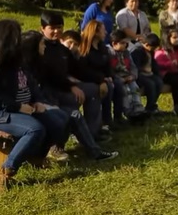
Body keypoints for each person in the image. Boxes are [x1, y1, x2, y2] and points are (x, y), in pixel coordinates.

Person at [0, 20, 70, 194]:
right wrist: (18, 107)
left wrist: (38, 100)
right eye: (16, 36)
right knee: (35, 129)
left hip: (22, 105)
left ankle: (36, 157)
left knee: (59, 120)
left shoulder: (15, 57)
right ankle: (4, 173)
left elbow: (30, 83)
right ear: (5, 39)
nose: (19, 39)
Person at [21, 31, 118, 162]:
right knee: (68, 115)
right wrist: (43, 103)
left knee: (74, 113)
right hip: (29, 107)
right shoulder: (22, 68)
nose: (44, 46)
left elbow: (61, 77)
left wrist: (74, 86)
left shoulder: (42, 62)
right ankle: (53, 149)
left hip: (45, 101)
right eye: (42, 44)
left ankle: (94, 151)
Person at [38, 11, 106, 140]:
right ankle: (58, 143)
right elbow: (48, 75)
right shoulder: (39, 47)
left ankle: (92, 133)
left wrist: (100, 80)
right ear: (42, 28)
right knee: (72, 102)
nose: (56, 31)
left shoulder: (61, 49)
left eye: (59, 27)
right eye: (52, 28)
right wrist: (71, 86)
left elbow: (79, 70)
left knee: (93, 89)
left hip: (64, 87)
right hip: (48, 92)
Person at [79, 20, 126, 129]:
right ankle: (106, 119)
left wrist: (109, 76)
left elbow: (107, 65)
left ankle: (118, 117)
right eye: (103, 30)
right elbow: (84, 70)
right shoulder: (85, 49)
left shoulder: (102, 47)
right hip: (91, 79)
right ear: (95, 32)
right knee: (109, 87)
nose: (105, 33)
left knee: (118, 84)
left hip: (104, 77)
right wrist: (102, 79)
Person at [108, 30, 146, 121]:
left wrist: (133, 76)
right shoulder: (109, 54)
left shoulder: (126, 53)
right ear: (114, 44)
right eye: (122, 43)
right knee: (125, 91)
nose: (125, 45)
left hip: (128, 76)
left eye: (126, 43)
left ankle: (138, 109)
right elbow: (110, 70)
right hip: (118, 79)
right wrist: (120, 79)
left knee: (134, 88)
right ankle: (128, 111)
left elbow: (133, 66)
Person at [155, 29, 178, 114]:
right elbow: (158, 65)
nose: (177, 39)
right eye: (174, 37)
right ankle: (177, 106)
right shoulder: (161, 51)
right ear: (168, 39)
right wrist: (170, 63)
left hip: (175, 73)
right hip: (164, 74)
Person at [130, 33, 165, 116]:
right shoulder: (137, 51)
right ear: (146, 44)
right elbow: (135, 67)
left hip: (149, 74)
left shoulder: (150, 51)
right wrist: (142, 71)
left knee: (159, 82)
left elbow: (154, 65)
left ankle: (152, 106)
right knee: (151, 84)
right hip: (140, 75)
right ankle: (150, 108)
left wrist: (159, 74)